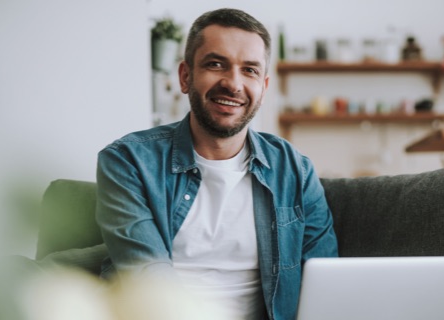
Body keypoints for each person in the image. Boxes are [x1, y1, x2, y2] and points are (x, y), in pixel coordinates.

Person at [96, 8, 338, 320]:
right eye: (215, 64)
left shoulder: (295, 170)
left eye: (249, 70)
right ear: (186, 76)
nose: (233, 84)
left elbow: (324, 280)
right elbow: (148, 281)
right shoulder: (128, 161)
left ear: (263, 87)